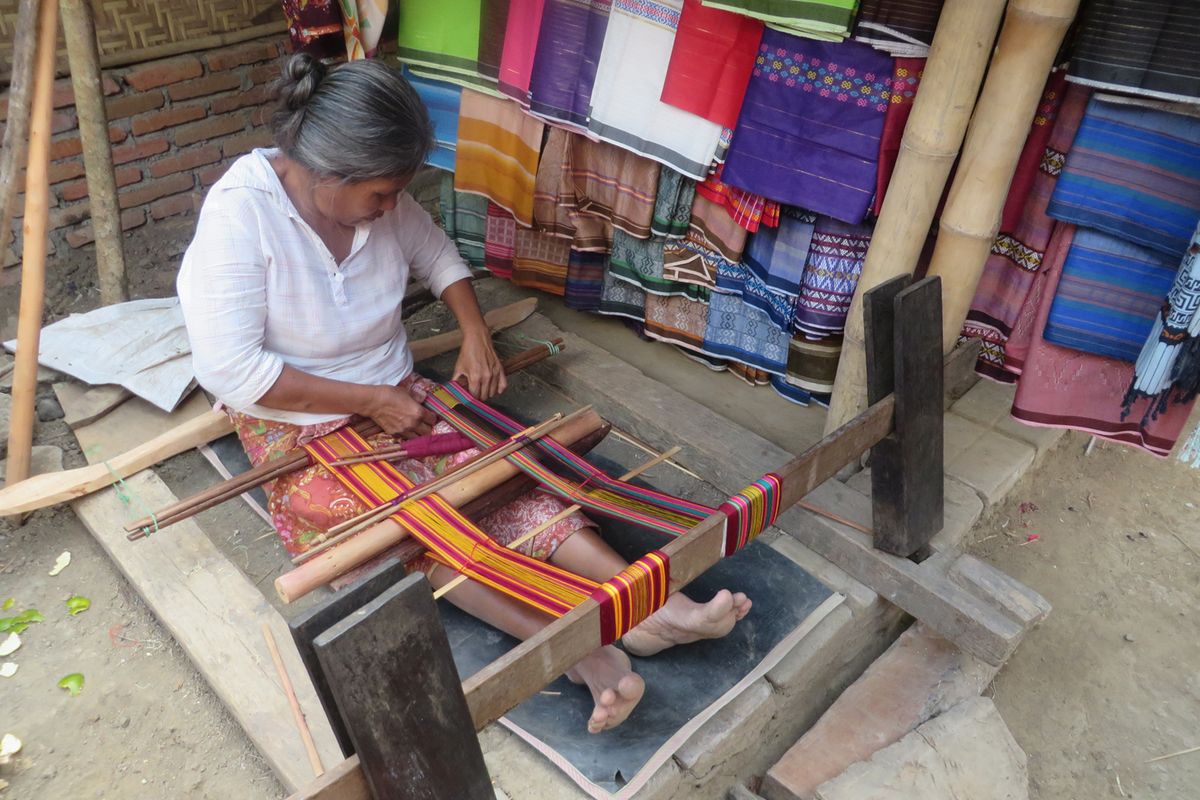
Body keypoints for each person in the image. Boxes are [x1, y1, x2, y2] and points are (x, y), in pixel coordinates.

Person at [177, 53, 751, 734]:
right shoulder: (241, 216)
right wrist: (365, 402)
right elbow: (230, 369)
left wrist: (474, 331)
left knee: (497, 476)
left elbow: (439, 256)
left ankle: (647, 604)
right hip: (294, 424)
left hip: (399, 391)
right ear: (326, 173)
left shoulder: (376, 201)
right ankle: (578, 646)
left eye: (396, 193)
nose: (392, 207)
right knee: (409, 530)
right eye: (382, 194)